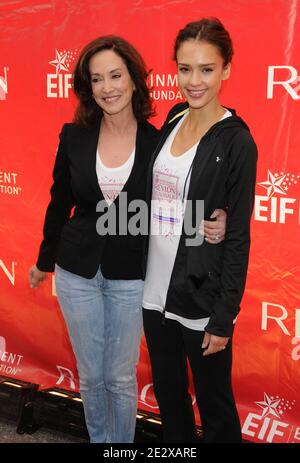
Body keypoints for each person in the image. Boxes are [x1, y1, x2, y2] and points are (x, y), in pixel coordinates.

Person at [28, 35, 226, 443]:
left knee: (118, 377)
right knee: (91, 375)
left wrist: (211, 221)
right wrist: (45, 260)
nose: (108, 87)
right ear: (88, 87)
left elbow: (170, 205)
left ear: (134, 80)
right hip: (76, 271)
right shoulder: (74, 136)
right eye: (97, 79)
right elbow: (59, 201)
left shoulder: (158, 142)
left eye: (116, 75)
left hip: (130, 275)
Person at [142, 17, 258, 443]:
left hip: (200, 297)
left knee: (215, 409)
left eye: (206, 69)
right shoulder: (173, 118)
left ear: (226, 69)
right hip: (154, 291)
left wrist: (224, 317)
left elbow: (240, 236)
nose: (194, 81)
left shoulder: (236, 141)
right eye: (184, 68)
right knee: (170, 400)